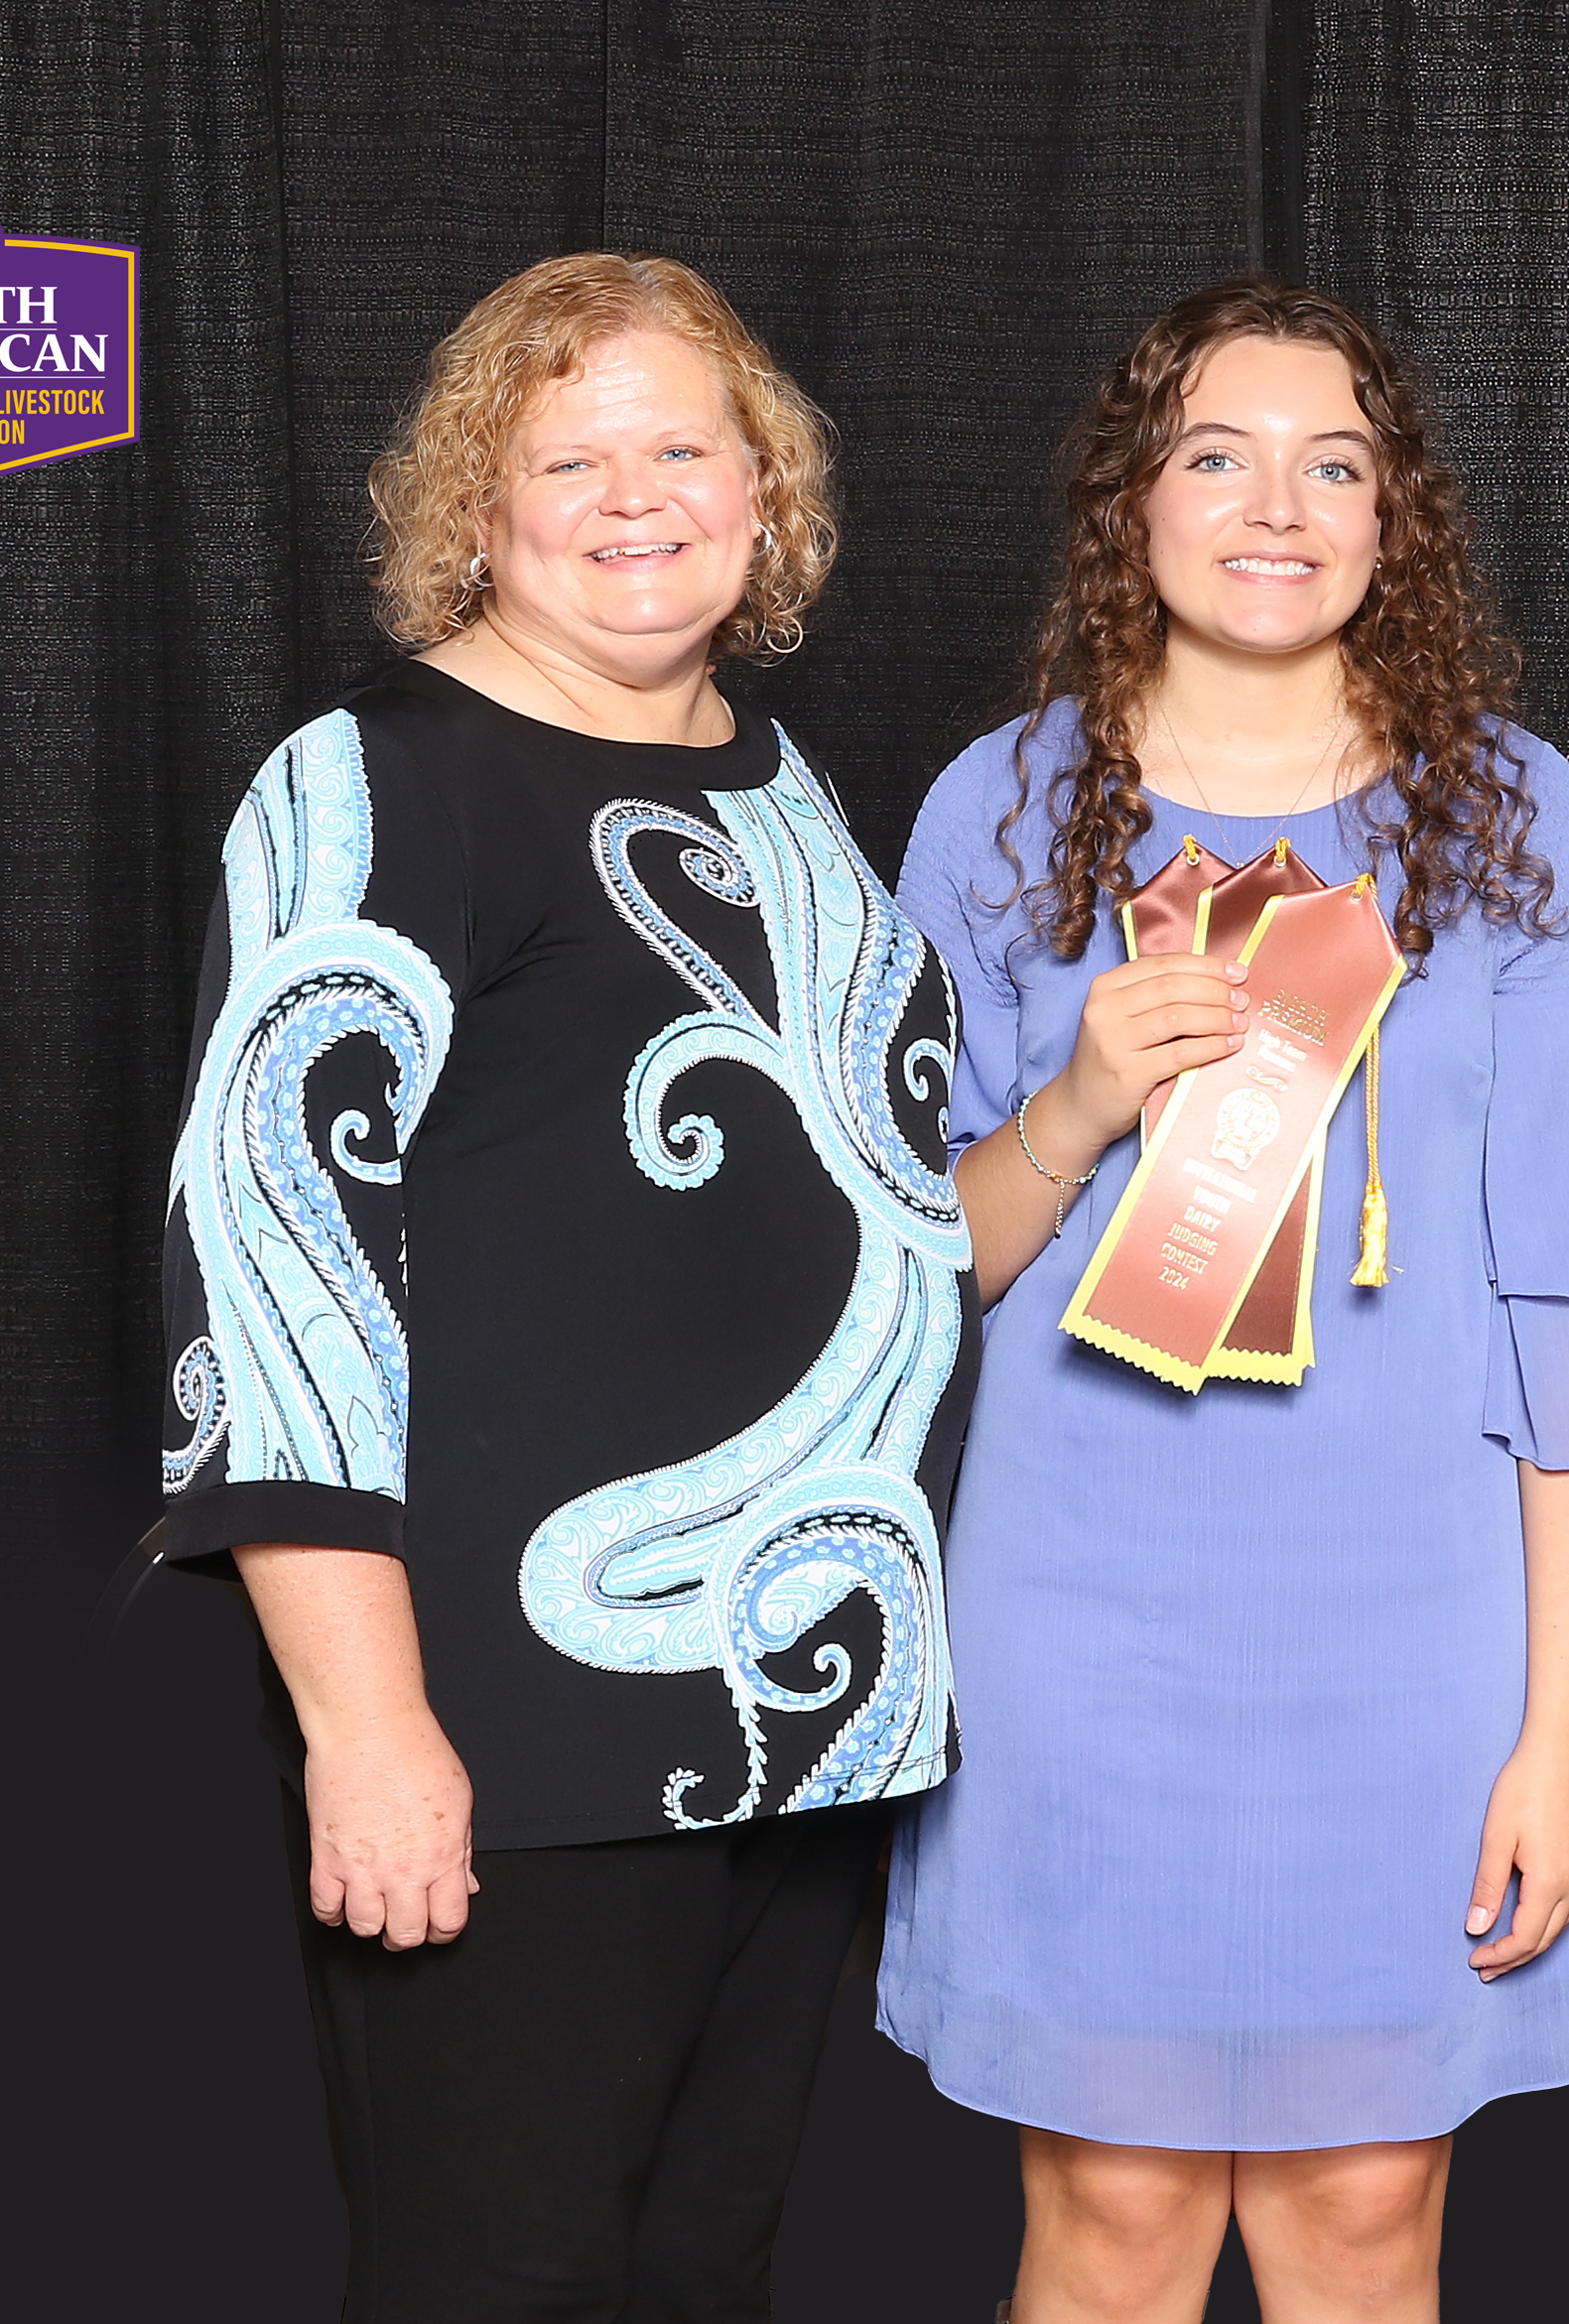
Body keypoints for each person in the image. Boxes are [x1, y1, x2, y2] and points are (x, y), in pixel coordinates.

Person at [155, 251, 976, 2323]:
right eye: (568, 457)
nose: (635, 497)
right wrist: (369, 1728)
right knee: (498, 2283)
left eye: (682, 445)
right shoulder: (378, 785)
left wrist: (1079, 1129)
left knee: (703, 2268)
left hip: (800, 1703)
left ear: (764, 489)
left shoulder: (779, 788)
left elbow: (885, 1204)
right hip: (512, 1728)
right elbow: (269, 1268)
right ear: (476, 509)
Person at [877, 278, 1569, 2324]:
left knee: (1366, 2220)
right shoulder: (1002, 811)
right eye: (1218, 455)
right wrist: (1084, 1097)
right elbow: (915, 1261)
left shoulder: (1517, 818)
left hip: (1413, 1644)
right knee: (1111, 2226)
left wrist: (1561, 1737)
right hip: (1083, 1628)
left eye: (1335, 462)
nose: (1275, 504)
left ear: (1400, 517)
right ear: (1137, 505)